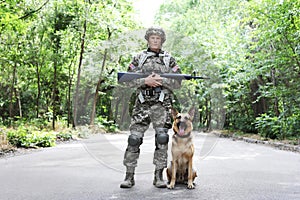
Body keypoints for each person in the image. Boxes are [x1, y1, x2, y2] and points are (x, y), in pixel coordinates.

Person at [120, 27, 182, 188]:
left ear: (162, 41)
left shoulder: (169, 60)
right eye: (152, 38)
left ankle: (158, 176)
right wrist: (144, 81)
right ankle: (129, 176)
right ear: (148, 39)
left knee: (162, 138)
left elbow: (178, 83)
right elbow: (125, 80)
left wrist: (162, 80)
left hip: (161, 104)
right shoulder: (138, 58)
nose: (155, 40)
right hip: (142, 103)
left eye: (158, 38)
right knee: (134, 139)